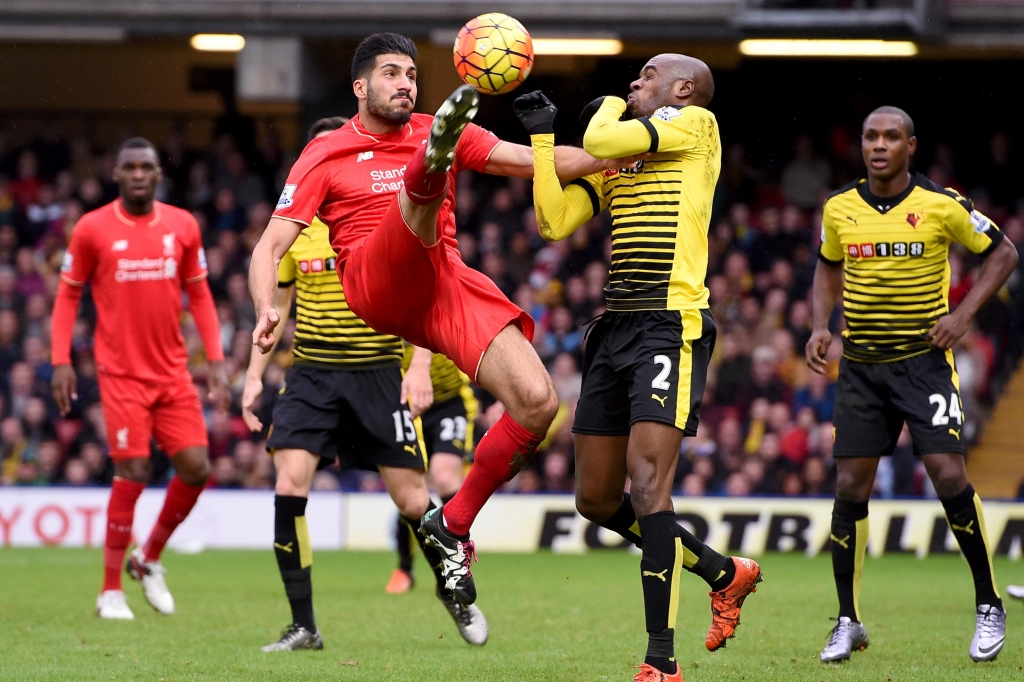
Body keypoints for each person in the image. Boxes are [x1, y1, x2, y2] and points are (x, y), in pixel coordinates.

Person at [249, 33, 621, 607]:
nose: (405, 84)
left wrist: (620, 156)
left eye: (412, 76)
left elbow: (533, 162)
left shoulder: (429, 124)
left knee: (538, 403)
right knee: (414, 206)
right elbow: (269, 246)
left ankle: (453, 526)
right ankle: (428, 170)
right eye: (392, 74)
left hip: (444, 283)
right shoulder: (324, 153)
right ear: (360, 87)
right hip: (376, 282)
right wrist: (265, 307)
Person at [515, 54, 762, 682]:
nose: (633, 83)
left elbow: (599, 134)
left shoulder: (696, 125)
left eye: (646, 75)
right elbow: (554, 221)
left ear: (683, 89)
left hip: (670, 323)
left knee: (650, 484)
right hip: (615, 327)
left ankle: (661, 661)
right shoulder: (623, 157)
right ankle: (721, 571)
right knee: (596, 500)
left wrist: (601, 112)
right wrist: (544, 141)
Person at [241, 116, 487, 651]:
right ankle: (303, 626)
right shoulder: (297, 231)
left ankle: (453, 592)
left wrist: (419, 366)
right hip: (310, 374)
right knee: (289, 486)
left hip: (378, 371)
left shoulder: (378, 217)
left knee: (412, 498)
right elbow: (278, 301)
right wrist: (254, 374)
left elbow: (427, 289)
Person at [807, 106, 1019, 664]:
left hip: (922, 363)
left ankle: (988, 604)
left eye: (891, 137)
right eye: (871, 136)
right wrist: (817, 324)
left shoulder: (940, 205)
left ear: (910, 146)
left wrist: (964, 314)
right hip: (860, 365)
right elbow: (828, 266)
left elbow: (1003, 252)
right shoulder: (839, 208)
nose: (879, 145)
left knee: (949, 473)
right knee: (850, 487)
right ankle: (848, 620)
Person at [50, 137, 228, 620]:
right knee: (133, 471)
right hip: (121, 375)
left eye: (145, 167)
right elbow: (67, 297)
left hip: (172, 373)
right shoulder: (92, 229)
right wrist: (60, 359)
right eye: (128, 167)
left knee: (196, 469)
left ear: (157, 173)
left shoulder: (182, 225)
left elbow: (203, 296)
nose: (137, 175)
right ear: (115, 173)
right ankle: (110, 591)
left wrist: (214, 359)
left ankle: (147, 558)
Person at [387, 344, 477, 594]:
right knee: (410, 488)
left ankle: (459, 561)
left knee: (445, 477)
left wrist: (495, 398)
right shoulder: (384, 323)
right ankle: (404, 568)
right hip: (407, 406)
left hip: (449, 402)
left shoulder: (439, 310)